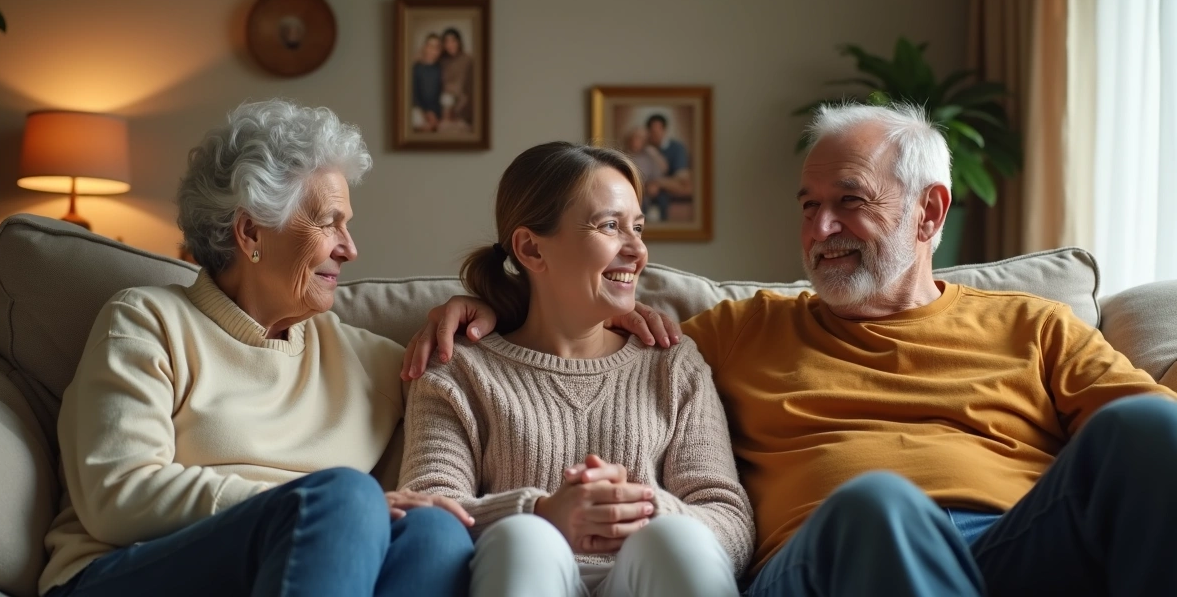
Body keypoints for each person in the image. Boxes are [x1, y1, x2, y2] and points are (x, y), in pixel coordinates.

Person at [403, 103, 1177, 596]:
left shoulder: (1033, 325)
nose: (821, 230)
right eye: (810, 207)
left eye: (849, 202)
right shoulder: (739, 331)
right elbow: (588, 336)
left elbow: (1154, 444)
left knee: (1145, 430)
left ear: (929, 211)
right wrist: (488, 304)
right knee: (880, 504)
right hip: (837, 556)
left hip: (1011, 544)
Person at [39, 99, 475, 597]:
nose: (349, 248)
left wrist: (484, 311)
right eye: (329, 222)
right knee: (347, 498)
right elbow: (116, 496)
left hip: (305, 566)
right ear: (249, 232)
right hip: (122, 573)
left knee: (435, 535)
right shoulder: (146, 321)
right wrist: (304, 503)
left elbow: (494, 376)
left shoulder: (369, 361)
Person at [398, 142, 754, 597]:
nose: (637, 250)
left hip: (647, 576)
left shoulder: (672, 364)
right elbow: (425, 515)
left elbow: (731, 521)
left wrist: (643, 508)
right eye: (610, 226)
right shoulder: (457, 370)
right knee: (525, 537)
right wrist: (543, 512)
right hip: (521, 573)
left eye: (638, 228)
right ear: (531, 248)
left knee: (677, 536)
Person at [644, 114, 693, 221]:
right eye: (652, 131)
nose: (655, 134)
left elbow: (681, 178)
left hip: (670, 186)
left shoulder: (677, 148)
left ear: (664, 130)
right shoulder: (644, 148)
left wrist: (657, 183)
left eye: (658, 130)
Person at [620, 126, 669, 218]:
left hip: (647, 189)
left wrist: (655, 185)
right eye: (636, 137)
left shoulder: (648, 157)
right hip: (630, 189)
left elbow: (659, 173)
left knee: (662, 198)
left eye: (641, 139)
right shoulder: (622, 156)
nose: (638, 141)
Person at [439, 28, 474, 128]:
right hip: (444, 102)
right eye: (446, 42)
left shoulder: (468, 60)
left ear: (458, 42)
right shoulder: (442, 61)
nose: (450, 45)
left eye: (453, 41)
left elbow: (470, 87)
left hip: (463, 102)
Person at [412, 33, 443, 132]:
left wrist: (434, 113)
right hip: (419, 109)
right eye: (430, 46)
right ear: (425, 47)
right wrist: (426, 112)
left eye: (436, 47)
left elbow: (440, 94)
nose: (433, 50)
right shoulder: (416, 68)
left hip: (436, 111)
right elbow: (414, 94)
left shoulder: (440, 69)